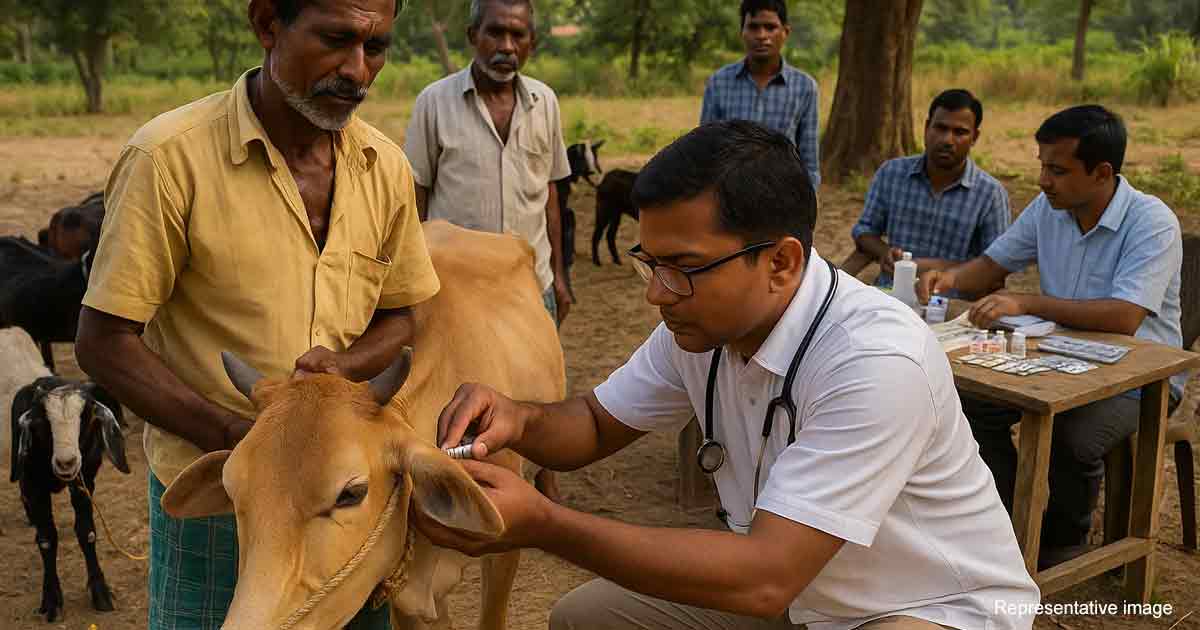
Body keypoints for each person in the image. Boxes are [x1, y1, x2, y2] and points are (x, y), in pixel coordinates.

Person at [418, 121, 1039, 630]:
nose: (656, 296)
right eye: (650, 263)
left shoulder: (876, 361)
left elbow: (765, 576)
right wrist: (518, 417)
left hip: (925, 608)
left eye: (682, 267)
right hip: (802, 597)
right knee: (587, 618)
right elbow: (593, 425)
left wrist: (546, 524)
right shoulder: (702, 327)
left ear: (780, 262)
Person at [74, 1, 440, 628]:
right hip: (219, 495)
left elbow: (404, 317)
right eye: (336, 40)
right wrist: (239, 444)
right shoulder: (169, 159)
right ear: (268, 23)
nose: (357, 69)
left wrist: (345, 365)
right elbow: (105, 341)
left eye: (376, 48)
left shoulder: (386, 167)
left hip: (350, 502)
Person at [917, 105, 1183, 569]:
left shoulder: (1151, 221)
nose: (1042, 179)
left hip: (1143, 380)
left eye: (1057, 169)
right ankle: (1000, 521)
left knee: (1072, 433)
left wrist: (1027, 302)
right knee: (966, 400)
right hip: (1058, 361)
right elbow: (990, 269)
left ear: (1102, 173)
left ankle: (1062, 541)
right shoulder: (1049, 208)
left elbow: (1124, 317)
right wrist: (948, 279)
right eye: (1042, 165)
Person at [405, 0, 573, 325]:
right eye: (495, 32)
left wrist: (559, 275)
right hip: (455, 288)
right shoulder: (434, 102)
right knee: (461, 377)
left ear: (532, 43)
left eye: (518, 35)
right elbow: (417, 197)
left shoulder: (545, 102)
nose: (507, 46)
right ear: (473, 35)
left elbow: (549, 192)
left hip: (533, 285)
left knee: (533, 376)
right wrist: (414, 283)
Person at [844, 89, 1010, 291]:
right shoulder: (892, 173)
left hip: (949, 304)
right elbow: (864, 231)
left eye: (960, 132)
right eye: (940, 128)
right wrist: (884, 252)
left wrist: (933, 268)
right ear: (926, 127)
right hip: (890, 295)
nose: (947, 140)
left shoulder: (990, 194)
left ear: (974, 137)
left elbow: (995, 268)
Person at [700, 0, 820, 189]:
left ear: (785, 32)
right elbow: (704, 151)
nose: (762, 35)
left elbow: (809, 163)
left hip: (781, 196)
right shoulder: (718, 83)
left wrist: (804, 207)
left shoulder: (805, 87)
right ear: (742, 32)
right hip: (729, 196)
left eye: (770, 27)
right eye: (753, 27)